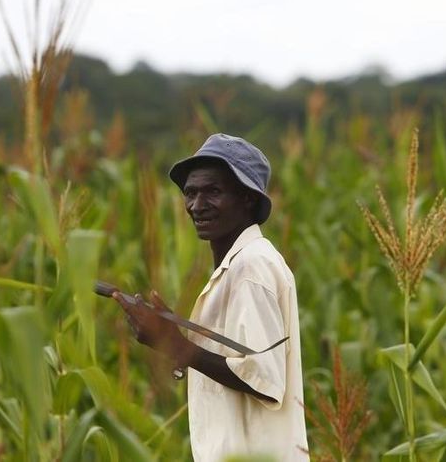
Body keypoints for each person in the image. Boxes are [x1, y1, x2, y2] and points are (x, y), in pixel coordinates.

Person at [112, 133, 309, 461]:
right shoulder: (237, 267)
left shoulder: (251, 267)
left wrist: (176, 345)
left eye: (213, 192)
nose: (197, 206)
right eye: (190, 193)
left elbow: (264, 376)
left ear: (247, 199)